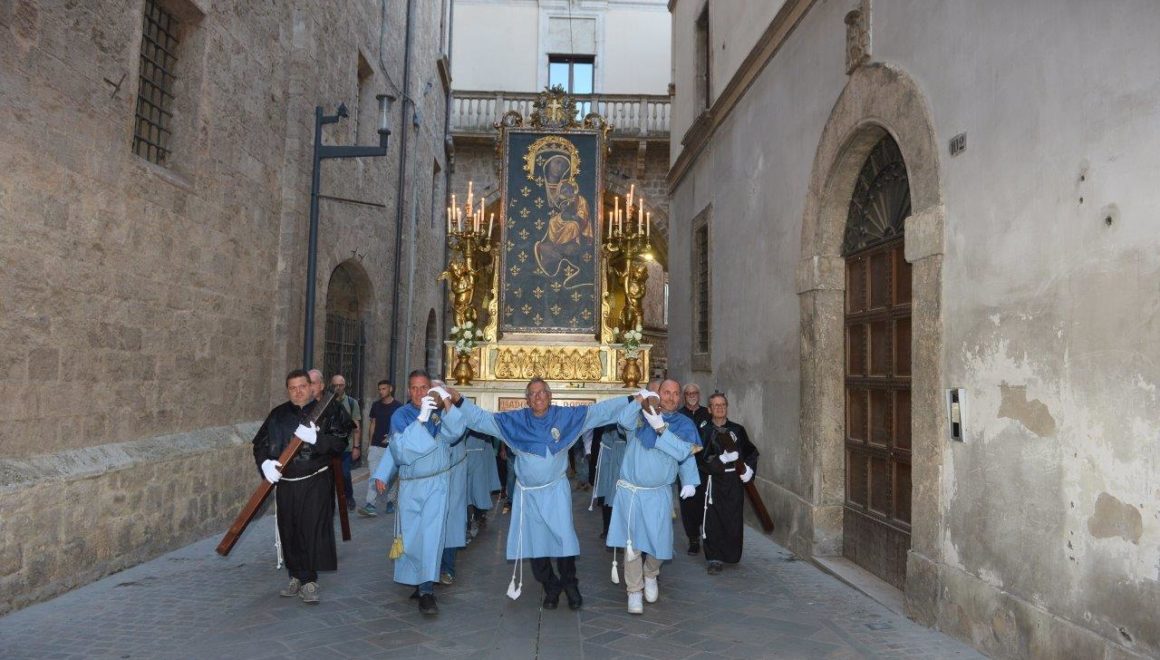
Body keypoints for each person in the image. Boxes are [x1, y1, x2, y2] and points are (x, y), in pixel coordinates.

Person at [453, 378, 641, 611]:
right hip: (528, 495)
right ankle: (550, 586)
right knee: (535, 543)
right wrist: (458, 400)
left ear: (550, 396)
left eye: (542, 392)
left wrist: (631, 399)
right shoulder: (514, 421)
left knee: (564, 539)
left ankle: (570, 585)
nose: (538, 397)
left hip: (555, 491)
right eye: (533, 394)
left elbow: (599, 412)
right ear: (527, 399)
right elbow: (482, 420)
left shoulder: (565, 418)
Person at [371, 371, 465, 615]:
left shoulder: (439, 412)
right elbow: (399, 450)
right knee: (411, 537)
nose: (419, 393)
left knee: (432, 535)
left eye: (424, 387)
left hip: (436, 483)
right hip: (411, 484)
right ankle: (418, 578)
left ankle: (426, 590)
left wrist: (446, 401)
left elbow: (456, 433)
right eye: (414, 388)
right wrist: (383, 473)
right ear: (408, 390)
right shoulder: (401, 415)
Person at [251, 369, 347, 604]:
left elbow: (340, 442)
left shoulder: (329, 409)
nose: (298, 392)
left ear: (311, 387)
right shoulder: (278, 414)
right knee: (289, 529)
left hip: (315, 481)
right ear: (288, 390)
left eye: (302, 386)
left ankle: (310, 581)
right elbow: (260, 444)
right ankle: (295, 576)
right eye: (292, 388)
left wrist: (317, 439)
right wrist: (265, 464)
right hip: (287, 483)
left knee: (311, 528)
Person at [606, 379, 701, 614]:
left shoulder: (684, 424)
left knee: (660, 542)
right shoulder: (638, 417)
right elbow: (622, 421)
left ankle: (651, 573)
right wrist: (639, 401)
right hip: (631, 492)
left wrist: (689, 479)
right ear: (656, 394)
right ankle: (634, 591)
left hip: (659, 493)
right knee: (632, 545)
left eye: (675, 393)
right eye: (666, 392)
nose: (671, 397)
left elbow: (684, 452)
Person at [698, 393, 759, 574]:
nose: (720, 408)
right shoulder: (705, 431)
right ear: (709, 409)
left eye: (723, 404)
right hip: (714, 482)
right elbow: (700, 458)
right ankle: (714, 558)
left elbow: (751, 452)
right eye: (715, 405)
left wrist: (749, 470)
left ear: (727, 407)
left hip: (734, 482)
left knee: (733, 517)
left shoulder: (737, 430)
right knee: (714, 520)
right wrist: (721, 460)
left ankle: (731, 554)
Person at [677, 382, 712, 554]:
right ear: (684, 396)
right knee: (688, 505)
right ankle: (693, 538)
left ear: (699, 395)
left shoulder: (708, 414)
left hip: (704, 467)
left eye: (694, 393)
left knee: (704, 502)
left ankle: (707, 534)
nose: (691, 396)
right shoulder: (678, 415)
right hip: (684, 466)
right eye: (688, 393)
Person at [358, 380, 402, 517]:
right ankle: (370, 504)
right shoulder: (376, 406)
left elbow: (400, 426)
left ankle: (390, 501)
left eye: (384, 388)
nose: (381, 391)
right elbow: (373, 424)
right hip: (376, 446)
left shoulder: (398, 407)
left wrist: (390, 437)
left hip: (391, 448)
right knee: (373, 475)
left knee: (392, 477)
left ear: (390, 389)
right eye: (380, 389)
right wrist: (370, 443)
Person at [331, 374, 361, 511]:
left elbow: (356, 427)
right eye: (335, 385)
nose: (338, 388)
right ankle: (330, 502)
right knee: (329, 477)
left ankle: (348, 496)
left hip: (346, 447)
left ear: (345, 386)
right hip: (330, 447)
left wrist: (356, 447)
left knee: (345, 474)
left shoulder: (352, 403)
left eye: (341, 385)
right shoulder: (326, 402)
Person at [465, 431, 501, 538]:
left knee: (478, 492)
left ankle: (477, 517)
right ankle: (470, 520)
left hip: (480, 456)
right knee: (467, 493)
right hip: (465, 456)